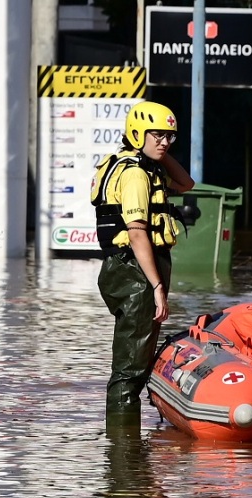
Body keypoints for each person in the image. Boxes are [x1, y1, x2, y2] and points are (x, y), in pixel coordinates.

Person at [92, 100, 194, 418]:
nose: (164, 142)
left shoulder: (140, 166)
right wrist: (156, 286)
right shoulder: (136, 175)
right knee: (130, 371)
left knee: (135, 362)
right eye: (157, 136)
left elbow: (187, 184)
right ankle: (124, 459)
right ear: (138, 133)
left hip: (129, 270)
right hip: (135, 272)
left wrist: (160, 154)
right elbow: (137, 233)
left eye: (170, 137)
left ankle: (130, 456)